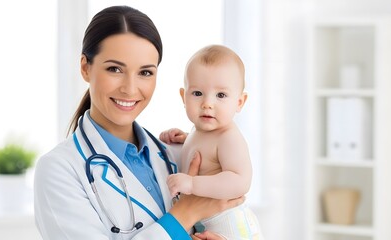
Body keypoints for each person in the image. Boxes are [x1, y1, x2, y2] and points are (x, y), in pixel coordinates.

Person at [34, 6, 244, 240]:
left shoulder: (174, 153)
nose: (130, 89)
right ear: (85, 67)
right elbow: (185, 219)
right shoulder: (58, 170)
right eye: (115, 69)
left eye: (145, 73)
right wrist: (185, 214)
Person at [160, 45, 263, 239]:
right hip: (205, 222)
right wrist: (184, 138)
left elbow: (240, 181)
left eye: (221, 95)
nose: (207, 103)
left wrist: (192, 184)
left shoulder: (228, 136)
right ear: (184, 96)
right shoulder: (200, 130)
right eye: (197, 93)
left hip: (232, 225)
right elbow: (205, 152)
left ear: (240, 102)